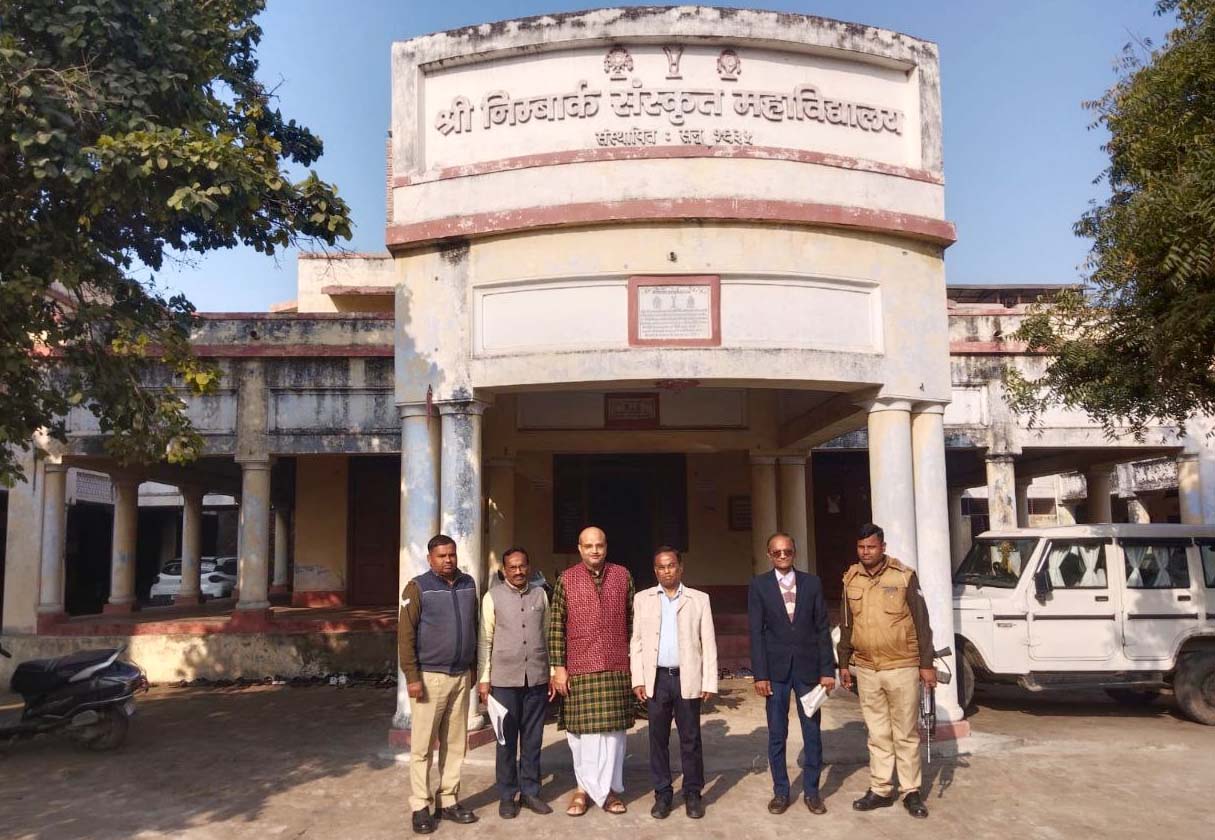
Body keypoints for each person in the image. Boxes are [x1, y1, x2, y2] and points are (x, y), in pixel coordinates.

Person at [837, 523, 936, 819]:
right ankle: (881, 789)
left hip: (902, 666)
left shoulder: (903, 576)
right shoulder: (850, 578)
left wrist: (926, 664)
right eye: (861, 547)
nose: (866, 552)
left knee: (905, 733)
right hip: (867, 668)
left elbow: (922, 623)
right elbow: (846, 624)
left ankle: (910, 791)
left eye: (871, 547)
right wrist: (843, 663)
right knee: (877, 733)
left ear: (883, 547)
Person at [547, 526, 636, 816]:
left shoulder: (622, 576)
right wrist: (559, 669)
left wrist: (635, 664)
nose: (594, 550)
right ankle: (582, 790)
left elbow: (633, 622)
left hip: (616, 667)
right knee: (581, 736)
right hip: (579, 668)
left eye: (599, 545)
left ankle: (609, 791)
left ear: (606, 546)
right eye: (588, 546)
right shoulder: (566, 579)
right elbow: (556, 626)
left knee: (613, 736)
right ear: (580, 548)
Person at [747, 532, 836, 816]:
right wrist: (760, 674)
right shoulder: (759, 585)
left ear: (794, 552)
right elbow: (756, 633)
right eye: (777, 552)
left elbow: (822, 628)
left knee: (812, 733)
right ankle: (781, 792)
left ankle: (812, 792)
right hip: (775, 672)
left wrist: (827, 670)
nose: (783, 556)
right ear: (769, 555)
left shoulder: (812, 583)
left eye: (787, 551)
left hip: (809, 670)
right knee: (777, 734)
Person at [398, 534, 480, 834]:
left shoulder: (468, 584)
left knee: (455, 744)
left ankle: (448, 800)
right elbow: (405, 636)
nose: (448, 560)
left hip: (460, 676)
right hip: (429, 678)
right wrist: (412, 677)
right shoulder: (418, 587)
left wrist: (473, 667)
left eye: (451, 554)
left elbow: (474, 626)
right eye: (441, 556)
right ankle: (420, 805)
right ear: (430, 559)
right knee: (423, 746)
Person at [630, 546, 718, 820]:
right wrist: (638, 679)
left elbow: (708, 642)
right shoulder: (643, 599)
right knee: (657, 739)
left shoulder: (698, 599)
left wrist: (709, 681)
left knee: (690, 739)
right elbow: (637, 641)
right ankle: (663, 794)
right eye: (661, 567)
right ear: (655, 570)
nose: (666, 571)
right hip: (657, 679)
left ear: (680, 568)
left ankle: (692, 793)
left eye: (670, 566)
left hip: (686, 678)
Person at [476, 546, 555, 819]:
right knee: (505, 741)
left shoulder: (540, 595)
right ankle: (507, 795)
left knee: (533, 740)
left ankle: (531, 792)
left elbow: (547, 634)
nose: (519, 571)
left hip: (536, 679)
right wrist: (484, 680)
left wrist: (551, 672)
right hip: (503, 682)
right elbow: (485, 640)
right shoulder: (492, 597)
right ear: (504, 570)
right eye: (513, 567)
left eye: (522, 566)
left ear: (528, 567)